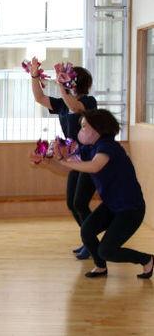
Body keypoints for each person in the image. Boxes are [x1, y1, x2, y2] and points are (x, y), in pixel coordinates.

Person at [30, 109, 153, 279]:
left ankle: (146, 259)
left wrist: (64, 161)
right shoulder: (90, 148)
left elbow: (95, 166)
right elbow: (69, 167)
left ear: (97, 129)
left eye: (83, 127)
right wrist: (48, 162)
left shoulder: (108, 146)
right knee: (87, 230)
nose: (80, 130)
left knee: (107, 250)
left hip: (130, 209)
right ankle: (100, 267)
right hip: (112, 205)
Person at [30, 57, 97, 259]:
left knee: (80, 203)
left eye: (69, 79)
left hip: (90, 158)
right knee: (72, 203)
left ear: (77, 82)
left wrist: (62, 87)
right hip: (74, 157)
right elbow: (39, 98)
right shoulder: (62, 104)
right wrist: (34, 75)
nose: (66, 81)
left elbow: (75, 107)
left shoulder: (88, 101)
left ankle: (92, 242)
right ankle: (89, 240)